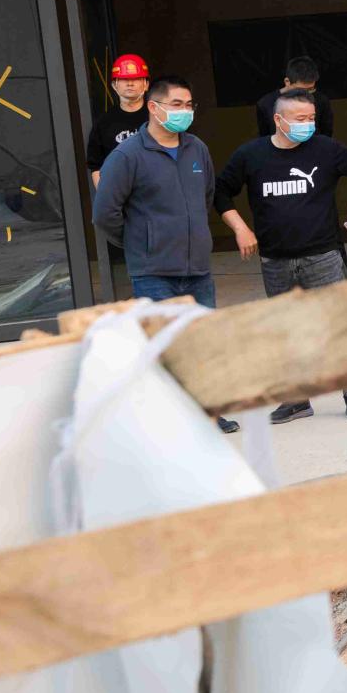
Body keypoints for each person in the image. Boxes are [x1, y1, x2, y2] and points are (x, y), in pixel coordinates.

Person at [216, 89, 347, 424]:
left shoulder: (325, 148)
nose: (308, 124)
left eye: (311, 118)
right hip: (275, 259)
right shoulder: (251, 155)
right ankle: (296, 400)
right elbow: (220, 192)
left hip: (322, 256)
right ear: (279, 120)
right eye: (300, 118)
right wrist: (240, 229)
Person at [92, 75, 237, 434]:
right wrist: (139, 242)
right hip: (153, 271)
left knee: (201, 343)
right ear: (154, 108)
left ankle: (207, 411)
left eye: (188, 105)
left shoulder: (197, 149)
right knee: (165, 349)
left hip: (197, 267)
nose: (184, 111)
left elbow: (205, 197)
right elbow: (105, 212)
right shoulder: (126, 156)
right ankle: (173, 421)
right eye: (176, 105)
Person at [87, 53, 152, 186]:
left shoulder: (158, 115)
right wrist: (106, 196)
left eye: (136, 78)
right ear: (114, 85)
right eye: (123, 79)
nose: (130, 83)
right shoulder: (104, 123)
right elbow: (96, 167)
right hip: (122, 192)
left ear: (146, 84)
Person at [252, 55, 335, 139]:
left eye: (310, 89)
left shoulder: (321, 100)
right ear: (287, 82)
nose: (305, 94)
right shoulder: (265, 103)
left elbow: (327, 134)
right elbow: (265, 138)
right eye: (301, 89)